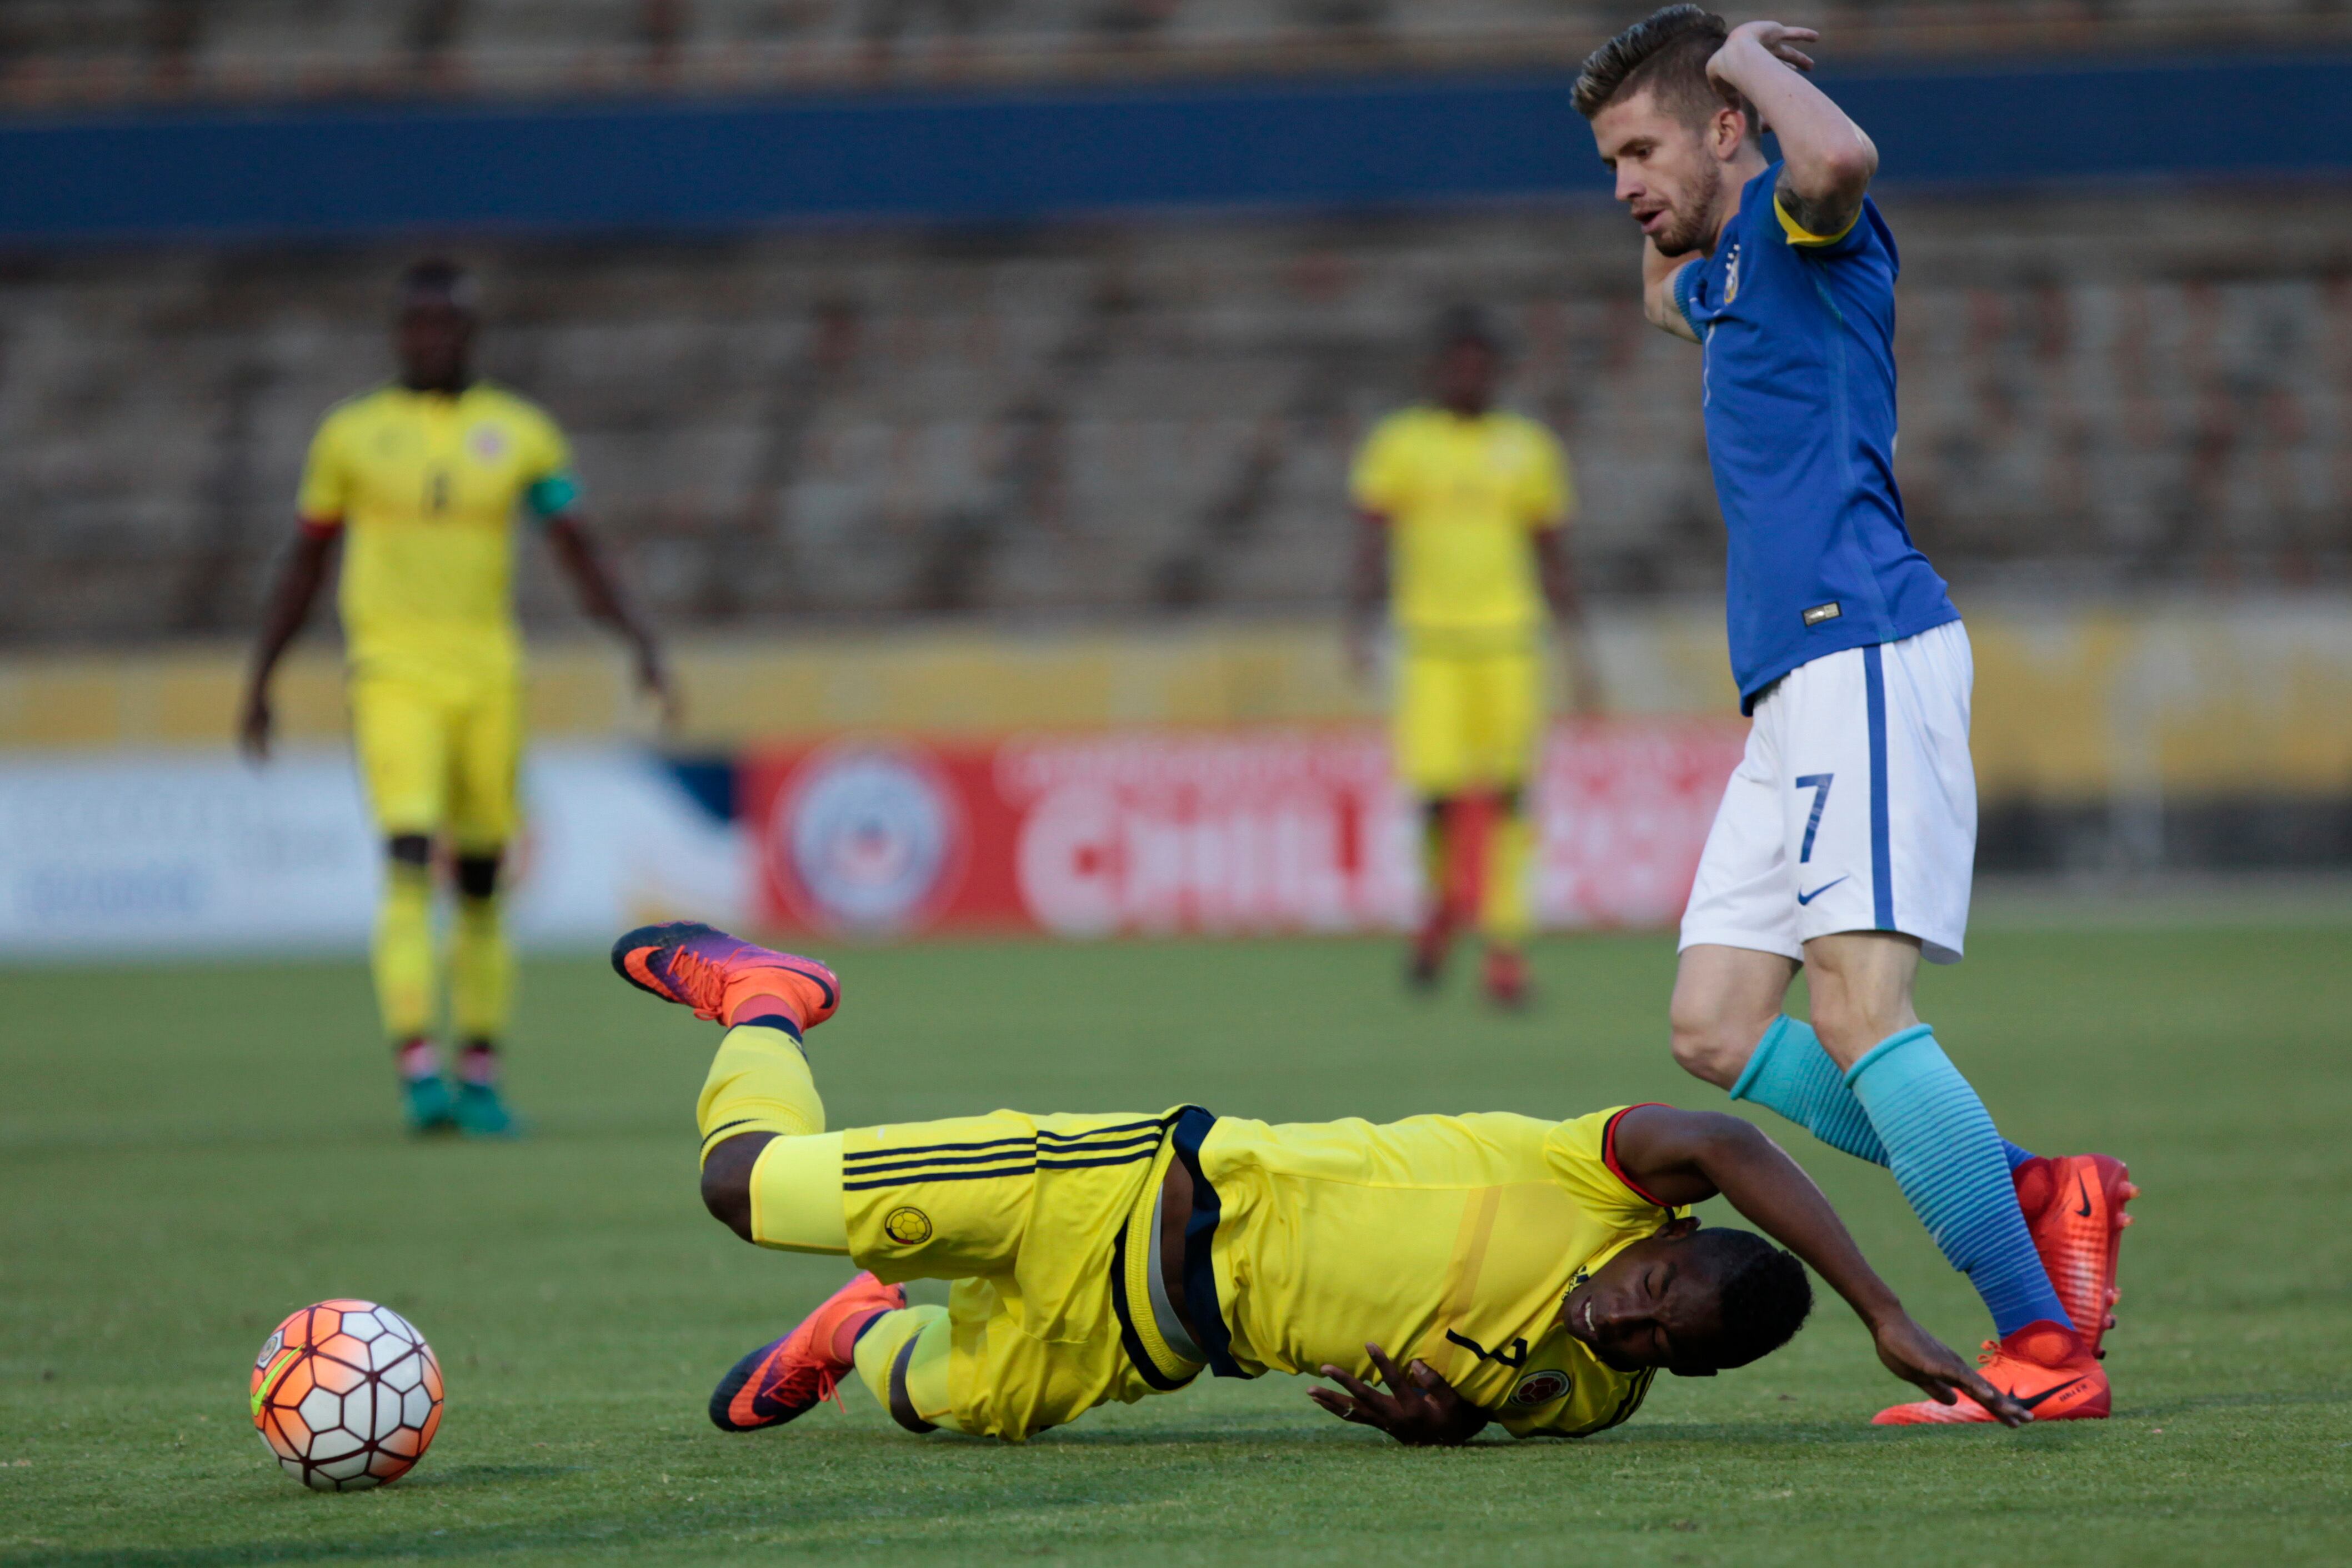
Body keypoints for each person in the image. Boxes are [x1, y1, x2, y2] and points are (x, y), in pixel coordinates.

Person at [1575, 7, 2133, 1423]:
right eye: (1605, 161)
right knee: (1710, 1025)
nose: (1622, 181)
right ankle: (2022, 1187)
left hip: (1861, 649)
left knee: (1852, 1007)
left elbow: (1841, 150)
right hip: (1787, 689)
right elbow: (1661, 294)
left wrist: (1742, 64)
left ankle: (2041, 1347)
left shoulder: (1802, 222)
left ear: (1719, 130)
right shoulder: (1727, 268)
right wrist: (1664, 215)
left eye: (1640, 147)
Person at [608, 920, 2029, 1445]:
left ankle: (854, 1325)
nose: (1630, 1326)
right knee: (742, 1189)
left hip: (1150, 1340)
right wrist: (1878, 1311)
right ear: (1664, 1236)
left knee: (936, 1402)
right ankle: (765, 999)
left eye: (1668, 1349)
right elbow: (1730, 1137)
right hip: (1120, 1191)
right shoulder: (1604, 1179)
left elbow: (1470, 1416)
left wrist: (1428, 1432)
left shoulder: (1581, 1397)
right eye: (1654, 1291)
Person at [240, 259, 672, 1136]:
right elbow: (307, 559)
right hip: (393, 672)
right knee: (407, 857)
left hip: (490, 677)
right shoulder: (352, 436)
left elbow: (578, 545)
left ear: (470, 333)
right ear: (397, 334)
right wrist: (263, 674)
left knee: (481, 880)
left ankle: (479, 1068)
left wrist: (640, 640)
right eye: (414, 326)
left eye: (443, 325)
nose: (427, 339)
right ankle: (417, 1067)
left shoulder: (518, 433)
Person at [1349, 307, 1599, 1008]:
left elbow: (1553, 554)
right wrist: (1358, 622)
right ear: (1437, 371)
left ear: (1498, 373)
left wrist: (1580, 651)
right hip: (1430, 645)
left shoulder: (1528, 449)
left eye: (1481, 366)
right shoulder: (1400, 444)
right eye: (1457, 365)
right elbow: (1370, 539)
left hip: (1509, 644)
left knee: (1509, 797)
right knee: (1437, 797)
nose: (1469, 377)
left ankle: (1503, 951)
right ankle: (1443, 908)